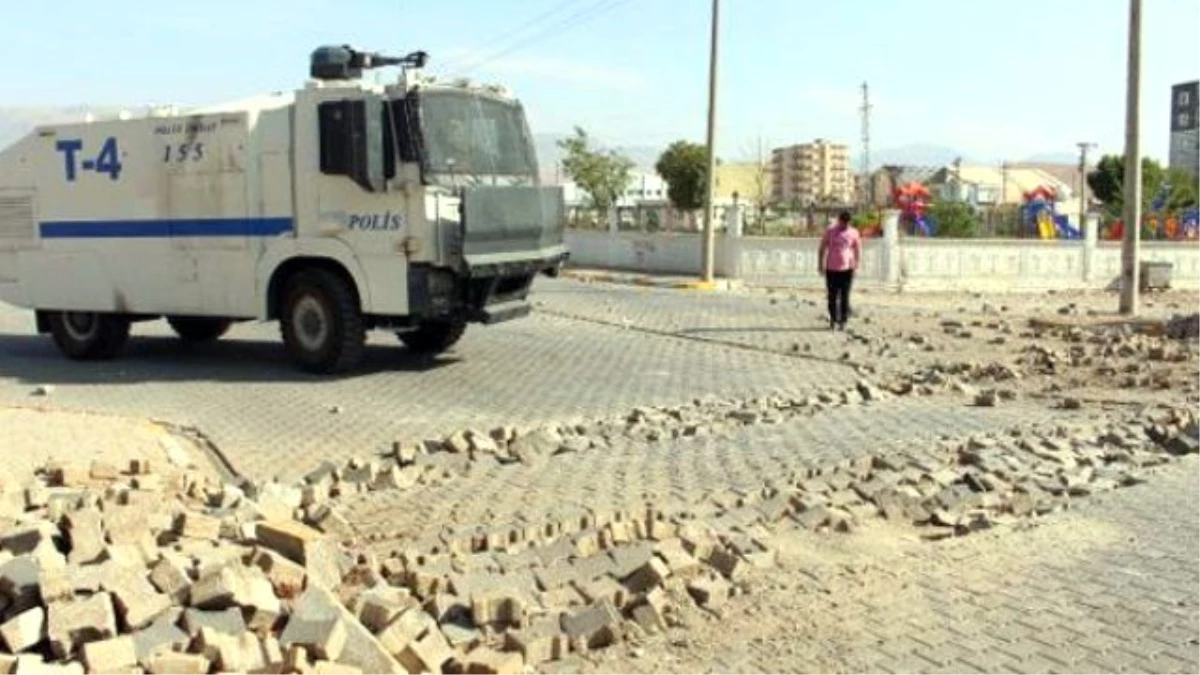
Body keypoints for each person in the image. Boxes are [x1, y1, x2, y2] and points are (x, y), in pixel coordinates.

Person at [817, 210, 862, 330]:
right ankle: (833, 319)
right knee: (832, 296)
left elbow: (857, 250)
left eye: (847, 223)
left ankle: (843, 320)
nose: (845, 225)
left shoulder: (853, 232)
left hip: (847, 269)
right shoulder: (830, 231)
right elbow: (822, 249)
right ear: (839, 220)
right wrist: (820, 265)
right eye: (843, 223)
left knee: (845, 296)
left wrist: (856, 265)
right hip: (831, 269)